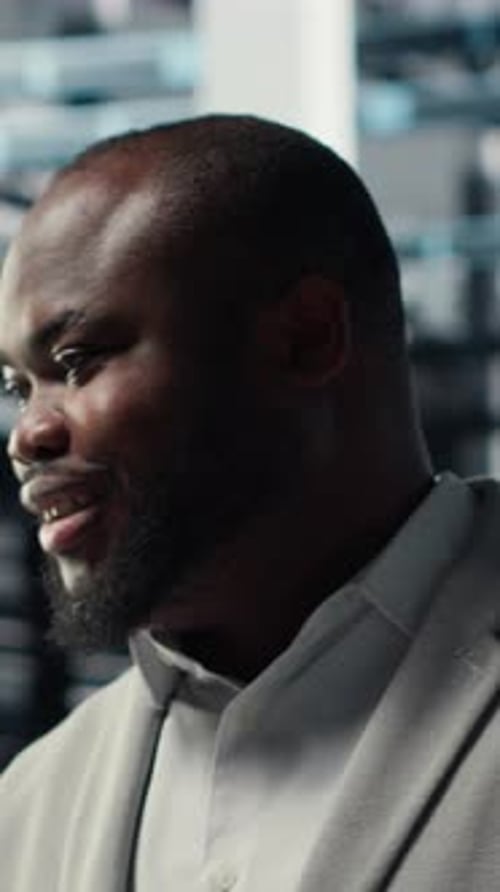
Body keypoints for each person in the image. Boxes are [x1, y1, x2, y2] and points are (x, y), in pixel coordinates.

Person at [0, 114, 499, 892]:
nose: (27, 432)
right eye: (17, 387)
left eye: (78, 359)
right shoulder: (30, 808)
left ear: (305, 338)